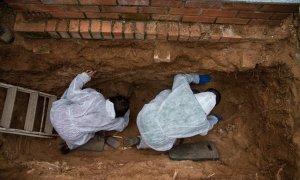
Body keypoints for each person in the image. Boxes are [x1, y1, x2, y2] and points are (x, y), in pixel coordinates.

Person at [125, 73, 221, 151]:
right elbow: (204, 130)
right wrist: (214, 119)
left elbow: (180, 76)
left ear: (201, 94)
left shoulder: (184, 92)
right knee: (171, 138)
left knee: (167, 93)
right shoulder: (201, 122)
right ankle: (140, 141)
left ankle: (141, 139)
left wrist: (197, 78)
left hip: (146, 119)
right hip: (157, 139)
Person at [50, 70, 130, 154]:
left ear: (111, 99)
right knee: (89, 134)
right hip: (70, 135)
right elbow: (122, 125)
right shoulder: (113, 121)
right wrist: (127, 111)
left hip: (57, 115)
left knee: (81, 95)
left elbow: (72, 93)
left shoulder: (96, 97)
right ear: (119, 115)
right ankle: (68, 146)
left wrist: (84, 77)